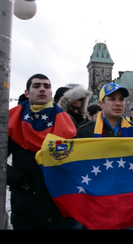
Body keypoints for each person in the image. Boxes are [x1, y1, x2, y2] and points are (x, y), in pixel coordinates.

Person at [7, 73, 80, 229]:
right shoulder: (13, 119)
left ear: (51, 93)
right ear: (27, 93)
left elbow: (78, 158)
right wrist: (19, 180)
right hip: (26, 206)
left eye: (46, 86)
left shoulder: (66, 120)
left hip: (60, 207)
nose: (42, 89)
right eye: (36, 86)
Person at [74, 83, 133, 229]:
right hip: (96, 210)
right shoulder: (85, 133)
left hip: (129, 209)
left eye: (121, 99)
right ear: (101, 103)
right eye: (112, 99)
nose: (118, 103)